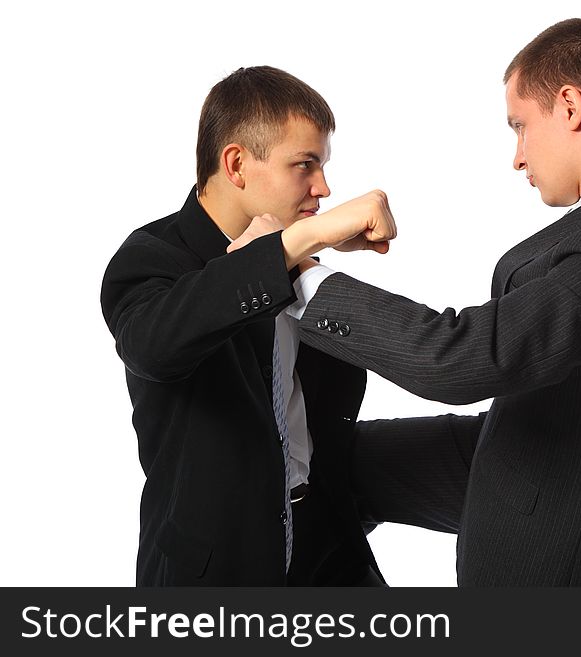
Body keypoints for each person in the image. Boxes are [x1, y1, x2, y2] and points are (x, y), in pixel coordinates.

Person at [233, 18, 581, 586]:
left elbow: (462, 361)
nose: (518, 157)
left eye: (521, 126)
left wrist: (295, 272)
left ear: (570, 106)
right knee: (326, 466)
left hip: (560, 532)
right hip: (517, 447)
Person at [100, 66, 397, 586]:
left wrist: (299, 251)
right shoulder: (151, 258)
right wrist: (297, 243)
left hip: (326, 547)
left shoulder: (293, 256)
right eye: (305, 165)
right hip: (216, 569)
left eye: (323, 166)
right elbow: (153, 346)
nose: (323, 188)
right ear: (236, 164)